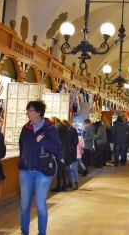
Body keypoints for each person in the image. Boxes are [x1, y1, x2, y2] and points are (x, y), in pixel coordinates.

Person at [19, 100, 61, 235]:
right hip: (25, 171)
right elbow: (22, 147)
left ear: (38, 113)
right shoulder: (26, 129)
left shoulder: (50, 128)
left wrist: (43, 140)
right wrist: (24, 160)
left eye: (29, 110)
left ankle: (41, 233)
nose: (27, 113)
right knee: (24, 205)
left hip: (43, 172)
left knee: (40, 204)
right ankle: (24, 232)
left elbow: (57, 149)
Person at [53, 118, 70, 192]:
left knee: (59, 169)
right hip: (65, 151)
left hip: (60, 151)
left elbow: (54, 138)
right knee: (63, 169)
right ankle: (64, 186)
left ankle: (58, 186)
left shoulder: (58, 127)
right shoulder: (64, 127)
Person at [65, 120, 79, 190]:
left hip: (72, 152)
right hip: (68, 152)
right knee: (68, 168)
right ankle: (70, 182)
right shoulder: (66, 130)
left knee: (73, 168)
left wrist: (71, 148)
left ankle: (76, 182)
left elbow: (76, 141)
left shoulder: (73, 130)